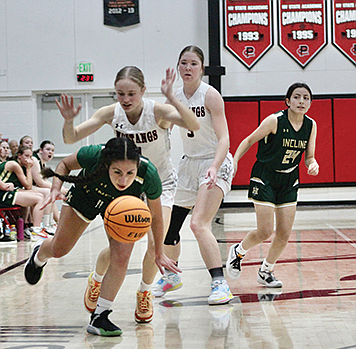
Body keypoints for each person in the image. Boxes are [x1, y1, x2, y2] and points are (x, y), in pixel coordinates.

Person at [56, 66, 199, 319]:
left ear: (143, 91)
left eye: (131, 93)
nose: (126, 99)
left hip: (160, 183)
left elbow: (194, 124)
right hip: (127, 184)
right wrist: (68, 121)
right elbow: (72, 138)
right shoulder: (111, 113)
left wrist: (172, 97)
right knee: (121, 247)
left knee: (157, 242)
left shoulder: (158, 112)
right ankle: (97, 278)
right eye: (120, 93)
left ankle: (144, 293)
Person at [24, 137, 181, 337]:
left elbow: (157, 217)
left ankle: (100, 316)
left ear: (137, 167)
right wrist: (55, 188)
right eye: (117, 172)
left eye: (130, 173)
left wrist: (158, 251)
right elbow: (64, 164)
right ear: (107, 165)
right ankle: (39, 256)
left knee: (121, 257)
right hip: (86, 195)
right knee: (59, 249)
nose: (123, 180)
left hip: (123, 207)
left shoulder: (149, 174)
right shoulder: (94, 154)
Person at [152, 45, 234, 305]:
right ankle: (172, 276)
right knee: (169, 226)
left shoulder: (210, 96)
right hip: (188, 164)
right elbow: (162, 126)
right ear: (178, 67)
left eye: (193, 64)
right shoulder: (174, 96)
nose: (188, 68)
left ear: (201, 68)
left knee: (198, 223)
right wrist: (166, 101)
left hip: (214, 161)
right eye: (183, 63)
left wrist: (215, 166)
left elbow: (224, 138)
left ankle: (220, 283)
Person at [226, 82, 319, 287]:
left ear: (310, 103)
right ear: (287, 101)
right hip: (265, 176)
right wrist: (235, 160)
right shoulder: (275, 121)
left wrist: (313, 164)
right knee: (265, 231)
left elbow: (309, 156)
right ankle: (238, 251)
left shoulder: (311, 125)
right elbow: (249, 140)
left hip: (289, 179)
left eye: (306, 98)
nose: (301, 101)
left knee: (284, 234)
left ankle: (266, 270)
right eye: (296, 97)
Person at [0, 145, 47, 238]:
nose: (28, 159)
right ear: (19, 156)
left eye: (30, 157)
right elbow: (28, 186)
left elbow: (26, 187)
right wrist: (29, 168)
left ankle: (27, 227)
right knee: (38, 199)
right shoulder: (14, 164)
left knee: (39, 195)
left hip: (8, 191)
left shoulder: (21, 166)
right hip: (2, 194)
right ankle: (36, 229)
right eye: (26, 156)